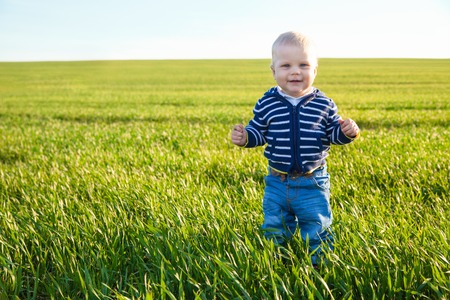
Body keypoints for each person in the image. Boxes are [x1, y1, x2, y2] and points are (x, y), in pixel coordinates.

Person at [231, 31, 360, 266]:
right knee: (275, 225)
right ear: (274, 71)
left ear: (315, 70)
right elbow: (259, 132)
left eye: (303, 64)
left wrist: (346, 133)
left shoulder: (324, 104)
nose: (295, 71)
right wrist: (245, 137)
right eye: (286, 65)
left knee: (317, 225)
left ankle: (320, 266)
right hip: (277, 182)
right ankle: (277, 263)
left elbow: (332, 134)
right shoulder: (267, 102)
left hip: (313, 183)